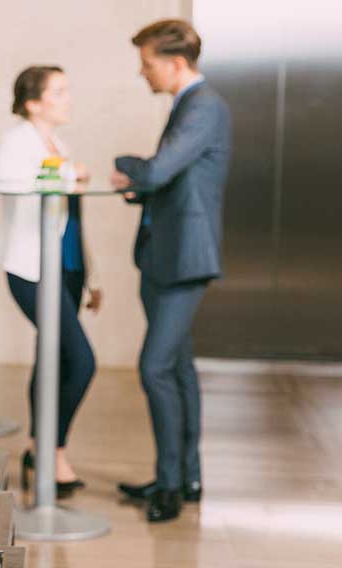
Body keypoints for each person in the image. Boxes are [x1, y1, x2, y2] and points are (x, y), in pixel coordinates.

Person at [111, 19, 231, 523]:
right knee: (177, 369)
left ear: (176, 63)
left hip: (184, 257)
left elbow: (160, 170)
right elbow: (173, 178)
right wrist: (143, 183)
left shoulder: (203, 106)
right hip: (167, 253)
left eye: (148, 64)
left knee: (155, 367)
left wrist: (126, 163)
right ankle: (186, 477)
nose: (143, 74)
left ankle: (170, 484)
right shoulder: (189, 105)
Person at [0, 65, 104, 499]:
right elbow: (10, 183)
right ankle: (50, 450)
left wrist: (91, 275)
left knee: (53, 358)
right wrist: (66, 175)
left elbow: (72, 220)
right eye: (59, 91)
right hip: (31, 269)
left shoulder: (59, 143)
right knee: (82, 360)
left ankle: (42, 449)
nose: (68, 98)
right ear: (33, 102)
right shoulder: (15, 142)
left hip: (69, 266)